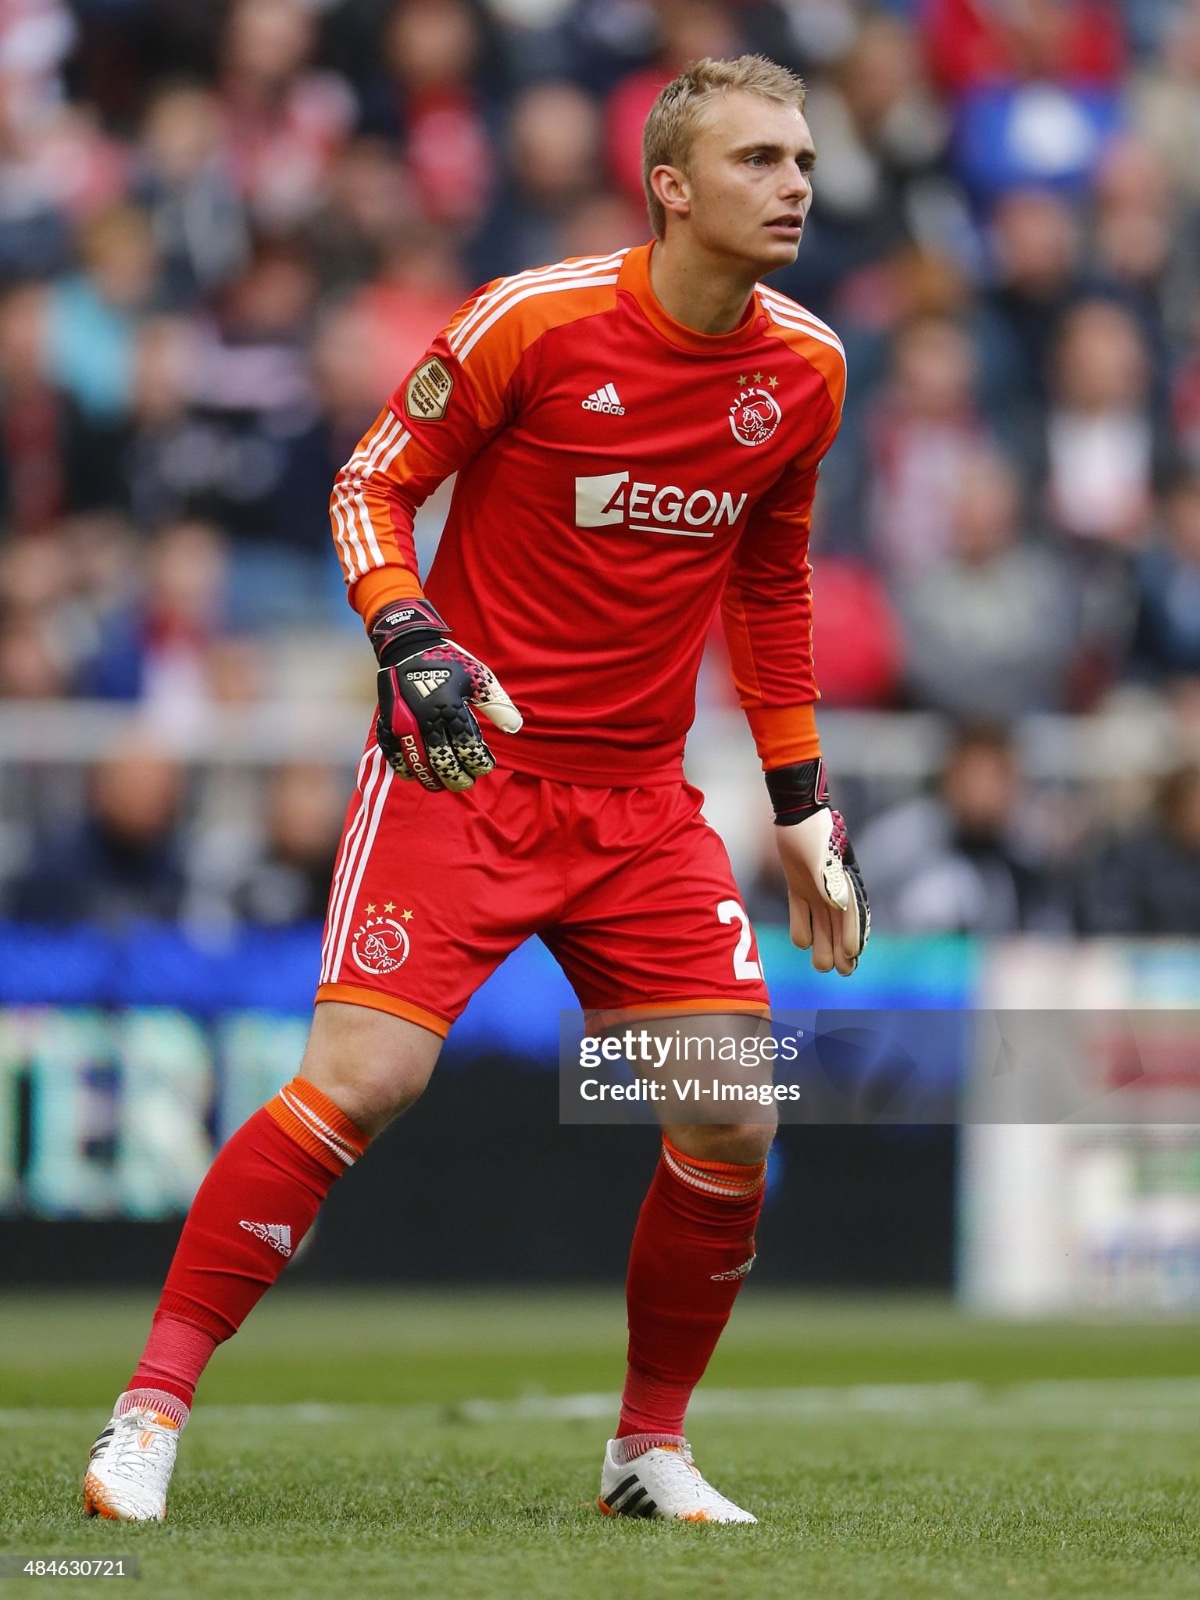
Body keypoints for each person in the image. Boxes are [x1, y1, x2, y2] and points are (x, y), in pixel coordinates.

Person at [83, 55, 869, 1528]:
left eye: (805, 161)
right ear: (672, 186)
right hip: (465, 774)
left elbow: (771, 582)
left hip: (640, 806)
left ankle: (646, 1452)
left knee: (732, 1115)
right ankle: (150, 1409)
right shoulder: (533, 319)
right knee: (364, 1082)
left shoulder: (807, 371)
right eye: (760, 160)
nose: (796, 187)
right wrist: (408, 635)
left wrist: (802, 802)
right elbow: (369, 483)